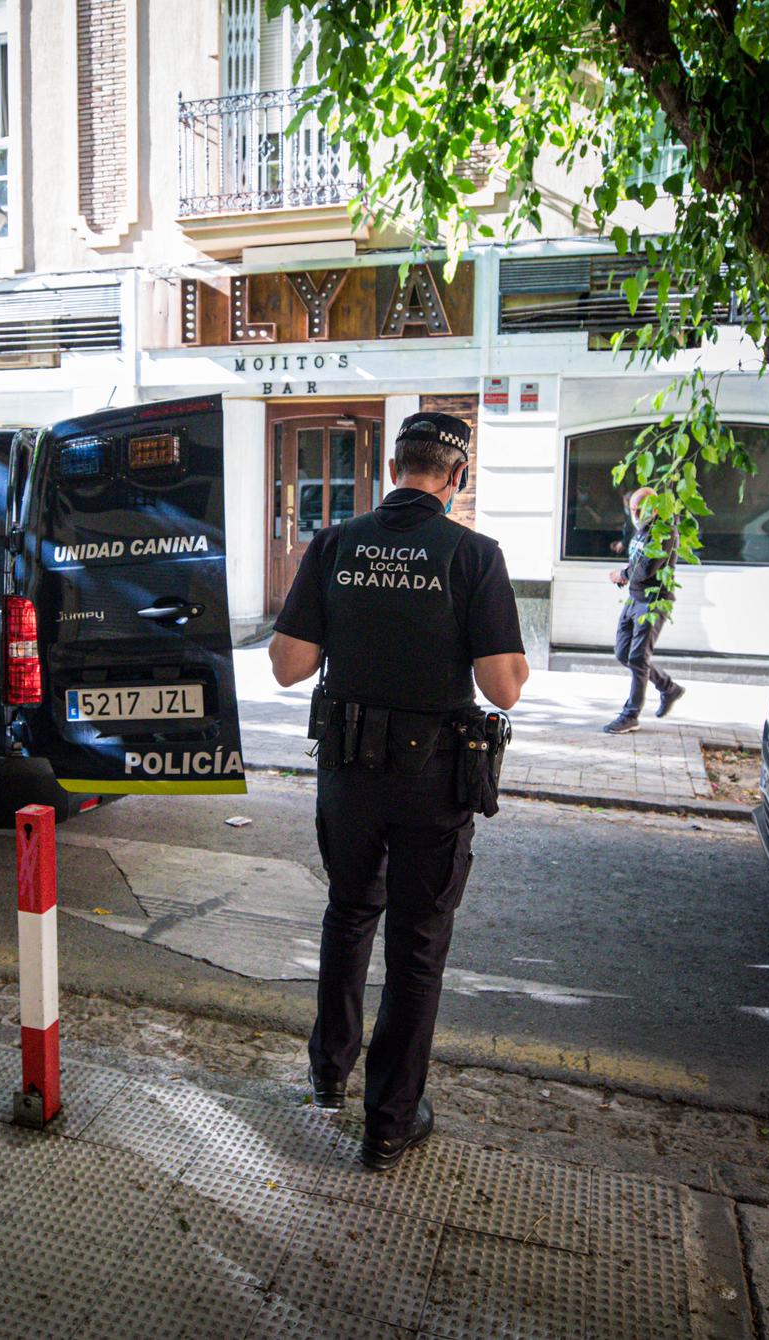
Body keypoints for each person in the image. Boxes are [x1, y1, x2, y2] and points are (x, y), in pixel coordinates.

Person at [268, 412, 528, 1171]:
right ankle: (388, 1123)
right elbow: (502, 687)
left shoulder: (335, 543)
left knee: (349, 913)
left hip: (348, 771)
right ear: (456, 479)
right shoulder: (472, 553)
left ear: (390, 467)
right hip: (431, 779)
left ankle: (327, 1074)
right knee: (416, 945)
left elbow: (287, 666)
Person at [603, 486, 684, 734]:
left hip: (653, 602)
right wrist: (624, 576)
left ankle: (631, 714)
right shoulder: (641, 531)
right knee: (623, 653)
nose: (635, 514)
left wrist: (622, 574)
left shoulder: (663, 532)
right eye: (632, 510)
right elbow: (636, 560)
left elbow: (646, 568)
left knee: (638, 658)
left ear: (655, 508)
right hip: (634, 599)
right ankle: (668, 688)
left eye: (640, 509)